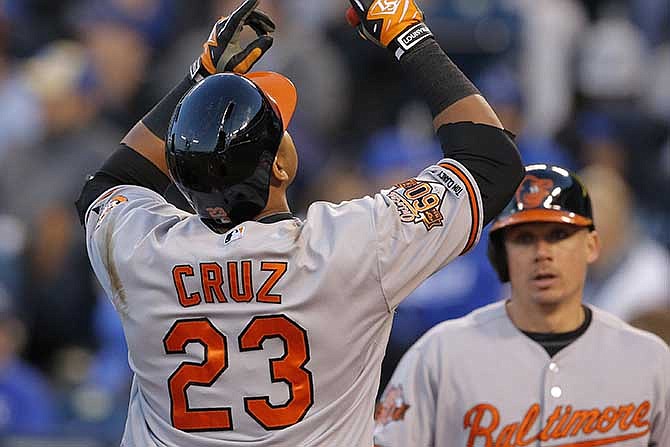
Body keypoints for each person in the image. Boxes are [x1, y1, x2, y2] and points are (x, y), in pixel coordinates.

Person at [75, 0, 523, 445]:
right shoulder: (346, 246)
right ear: (282, 165)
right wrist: (408, 34)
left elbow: (110, 182)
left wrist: (199, 77)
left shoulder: (144, 251)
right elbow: (492, 162)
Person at [373, 164, 670, 447]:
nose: (542, 253)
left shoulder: (651, 360)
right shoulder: (440, 355)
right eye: (524, 238)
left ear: (591, 245)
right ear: (502, 253)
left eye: (558, 235)